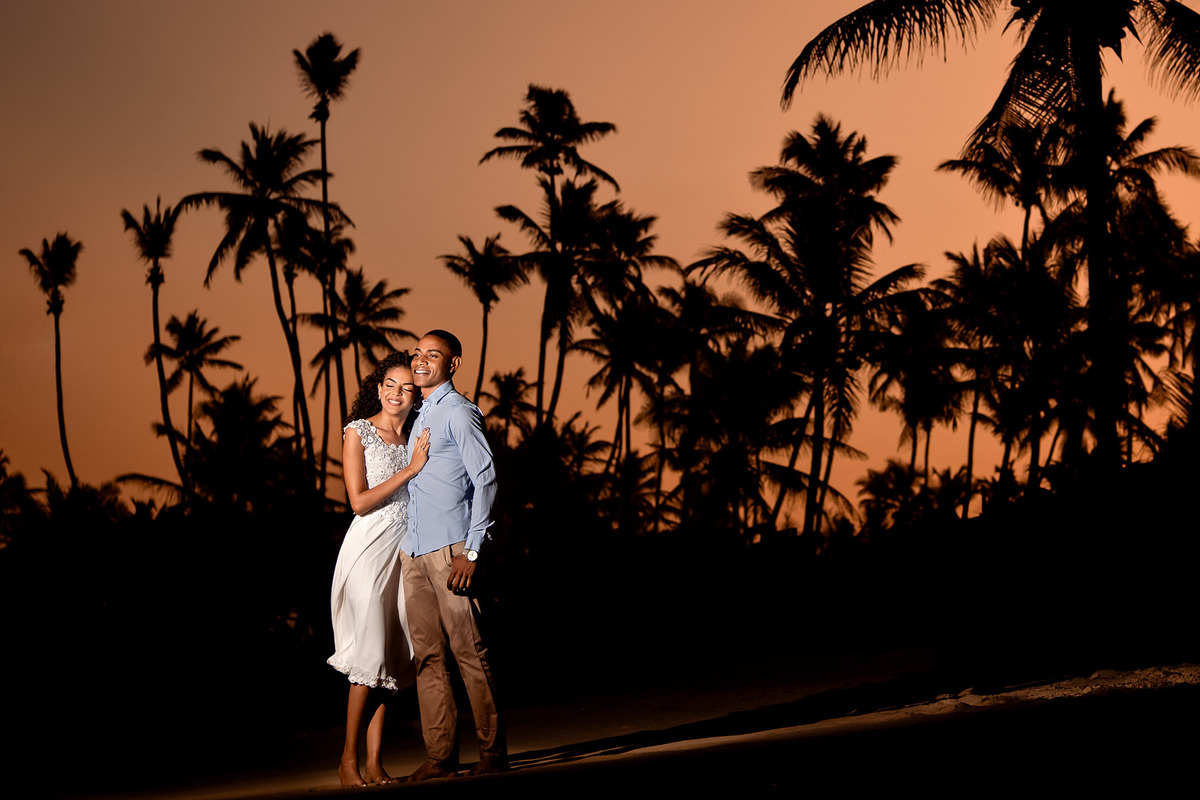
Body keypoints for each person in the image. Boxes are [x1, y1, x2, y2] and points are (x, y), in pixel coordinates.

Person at [401, 329, 506, 781]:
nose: (422, 360)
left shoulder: (459, 414)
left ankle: (492, 753)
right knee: (427, 657)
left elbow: (486, 480)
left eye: (434, 355)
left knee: (469, 651)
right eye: (418, 353)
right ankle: (441, 756)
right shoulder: (417, 412)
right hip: (414, 552)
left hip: (452, 551)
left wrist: (473, 550)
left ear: (453, 364)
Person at [327, 351, 431, 787]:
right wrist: (410, 470)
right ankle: (347, 761)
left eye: (407, 387)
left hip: (404, 551)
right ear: (378, 386)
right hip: (369, 549)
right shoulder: (359, 432)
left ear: (415, 396)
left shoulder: (416, 438)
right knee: (369, 652)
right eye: (390, 384)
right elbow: (359, 501)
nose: (397, 393)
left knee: (390, 656)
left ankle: (374, 762)